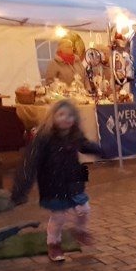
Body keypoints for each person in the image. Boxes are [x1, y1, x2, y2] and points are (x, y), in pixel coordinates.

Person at [11, 100, 102, 262]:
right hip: (53, 184)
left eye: (70, 115)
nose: (65, 119)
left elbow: (86, 146)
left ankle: (80, 231)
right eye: (61, 114)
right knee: (59, 217)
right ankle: (54, 243)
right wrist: (20, 188)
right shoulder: (44, 138)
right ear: (52, 117)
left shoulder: (75, 135)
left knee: (84, 209)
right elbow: (30, 162)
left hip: (74, 181)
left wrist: (102, 150)